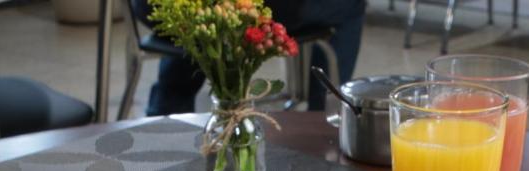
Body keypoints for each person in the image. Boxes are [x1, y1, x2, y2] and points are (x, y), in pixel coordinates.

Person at [132, 0, 365, 115]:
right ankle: (322, 122)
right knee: (351, 4)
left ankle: (166, 114)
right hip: (258, 7)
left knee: (198, 20)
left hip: (150, 6)